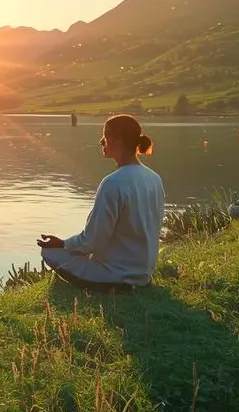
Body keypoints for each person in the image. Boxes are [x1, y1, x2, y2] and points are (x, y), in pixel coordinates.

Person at [37, 114, 165, 289]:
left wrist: (62, 243)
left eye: (105, 136)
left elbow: (91, 241)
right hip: (143, 274)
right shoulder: (154, 178)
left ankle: (101, 286)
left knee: (50, 252)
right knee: (75, 250)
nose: (101, 141)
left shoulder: (113, 183)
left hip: (115, 275)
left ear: (118, 140)